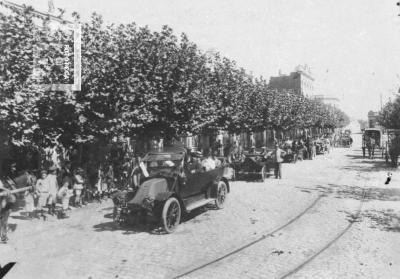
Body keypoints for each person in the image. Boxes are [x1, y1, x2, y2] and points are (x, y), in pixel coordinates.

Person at [0, 161, 17, 243]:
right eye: (12, 167)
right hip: (2, 198)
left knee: (4, 218)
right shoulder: (2, 176)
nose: (14, 169)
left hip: (6, 199)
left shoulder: (8, 177)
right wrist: (6, 189)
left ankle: (3, 235)